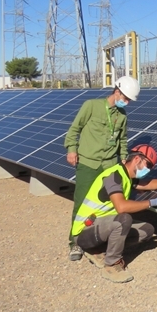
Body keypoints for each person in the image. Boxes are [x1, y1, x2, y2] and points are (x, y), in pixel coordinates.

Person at [71, 144, 157, 283]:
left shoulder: (126, 176)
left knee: (146, 230)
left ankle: (98, 251)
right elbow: (121, 207)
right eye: (147, 165)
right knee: (124, 219)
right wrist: (152, 202)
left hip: (102, 227)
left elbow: (147, 184)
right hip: (84, 232)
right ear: (137, 159)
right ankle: (111, 265)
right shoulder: (113, 176)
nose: (148, 170)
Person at [64, 75, 140, 261]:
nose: (127, 102)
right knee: (82, 203)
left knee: (108, 205)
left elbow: (122, 139)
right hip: (89, 164)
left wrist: (123, 157)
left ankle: (101, 236)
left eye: (129, 99)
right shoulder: (91, 106)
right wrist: (71, 149)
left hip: (109, 165)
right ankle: (74, 242)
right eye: (126, 98)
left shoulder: (122, 116)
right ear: (117, 91)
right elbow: (75, 129)